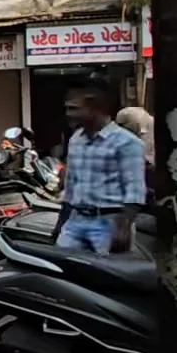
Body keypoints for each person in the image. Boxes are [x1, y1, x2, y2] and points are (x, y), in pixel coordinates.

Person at [56, 83, 144, 254]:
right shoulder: (76, 139)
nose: (69, 115)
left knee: (108, 275)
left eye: (74, 109)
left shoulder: (127, 143)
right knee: (64, 271)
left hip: (108, 222)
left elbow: (134, 191)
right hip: (76, 220)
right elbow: (71, 187)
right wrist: (60, 224)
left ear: (95, 109)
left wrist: (123, 229)